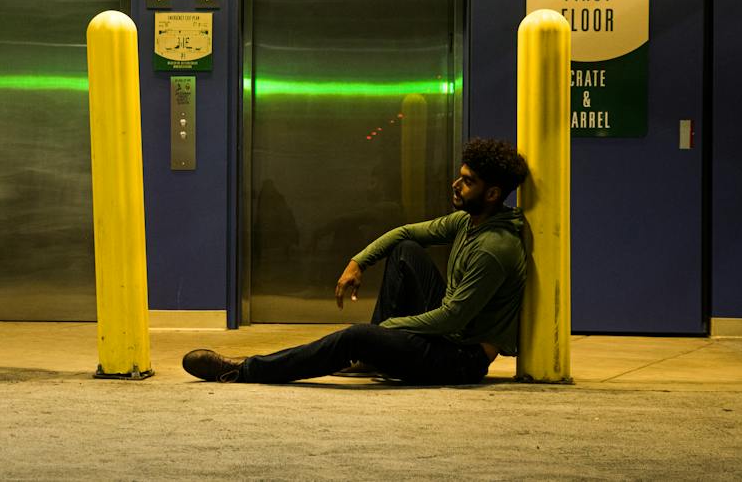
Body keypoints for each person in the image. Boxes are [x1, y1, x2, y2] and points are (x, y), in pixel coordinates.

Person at [182, 138, 529, 385]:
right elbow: (404, 232)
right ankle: (373, 356)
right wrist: (358, 262)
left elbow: (452, 317)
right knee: (406, 249)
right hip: (449, 335)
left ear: (493, 194)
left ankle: (244, 370)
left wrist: (384, 331)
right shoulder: (470, 221)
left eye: (467, 182)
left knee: (356, 337)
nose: (456, 185)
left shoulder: (493, 248)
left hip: (460, 358)